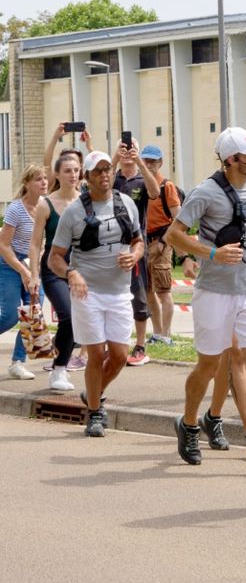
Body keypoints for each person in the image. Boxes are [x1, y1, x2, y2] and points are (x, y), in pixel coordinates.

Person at [164, 126, 246, 473]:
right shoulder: (205, 193)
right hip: (214, 293)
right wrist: (212, 253)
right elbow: (174, 236)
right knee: (208, 367)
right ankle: (189, 424)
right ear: (233, 160)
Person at [48, 151, 143, 437]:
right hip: (87, 293)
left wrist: (134, 256)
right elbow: (55, 257)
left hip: (119, 292)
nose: (105, 175)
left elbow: (139, 241)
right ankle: (95, 412)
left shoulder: (126, 203)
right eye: (98, 171)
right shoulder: (74, 212)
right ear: (87, 177)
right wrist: (71, 273)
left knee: (119, 355)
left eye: (107, 170)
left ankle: (93, 393)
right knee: (96, 353)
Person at [27, 154, 82, 391]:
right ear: (57, 175)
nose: (73, 175)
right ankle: (59, 370)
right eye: (67, 171)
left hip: (80, 269)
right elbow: (36, 243)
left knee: (79, 321)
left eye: (76, 170)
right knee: (68, 316)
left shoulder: (85, 202)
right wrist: (33, 275)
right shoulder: (45, 204)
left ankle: (70, 365)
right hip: (52, 269)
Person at [112, 139, 160, 366]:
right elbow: (95, 186)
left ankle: (140, 345)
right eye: (124, 148)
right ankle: (112, 344)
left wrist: (139, 160)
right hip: (109, 247)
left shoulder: (142, 179)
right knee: (109, 296)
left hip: (135, 247)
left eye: (131, 148)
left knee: (138, 295)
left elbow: (154, 192)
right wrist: (114, 158)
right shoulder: (113, 178)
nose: (127, 152)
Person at [0, 165, 48, 379]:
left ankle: (18, 362)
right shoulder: (15, 209)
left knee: (32, 312)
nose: (44, 182)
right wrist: (22, 270)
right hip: (10, 263)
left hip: (34, 263)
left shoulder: (46, 207)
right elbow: (3, 246)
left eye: (45, 178)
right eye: (39, 179)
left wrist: (34, 270)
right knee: (10, 315)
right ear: (27, 183)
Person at [140, 145, 181, 346]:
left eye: (152, 162)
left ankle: (166, 334)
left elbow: (178, 219)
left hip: (161, 242)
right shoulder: (140, 185)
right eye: (145, 161)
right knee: (148, 291)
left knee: (163, 291)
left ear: (160, 163)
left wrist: (164, 242)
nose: (148, 165)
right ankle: (156, 333)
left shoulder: (166, 187)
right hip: (143, 243)